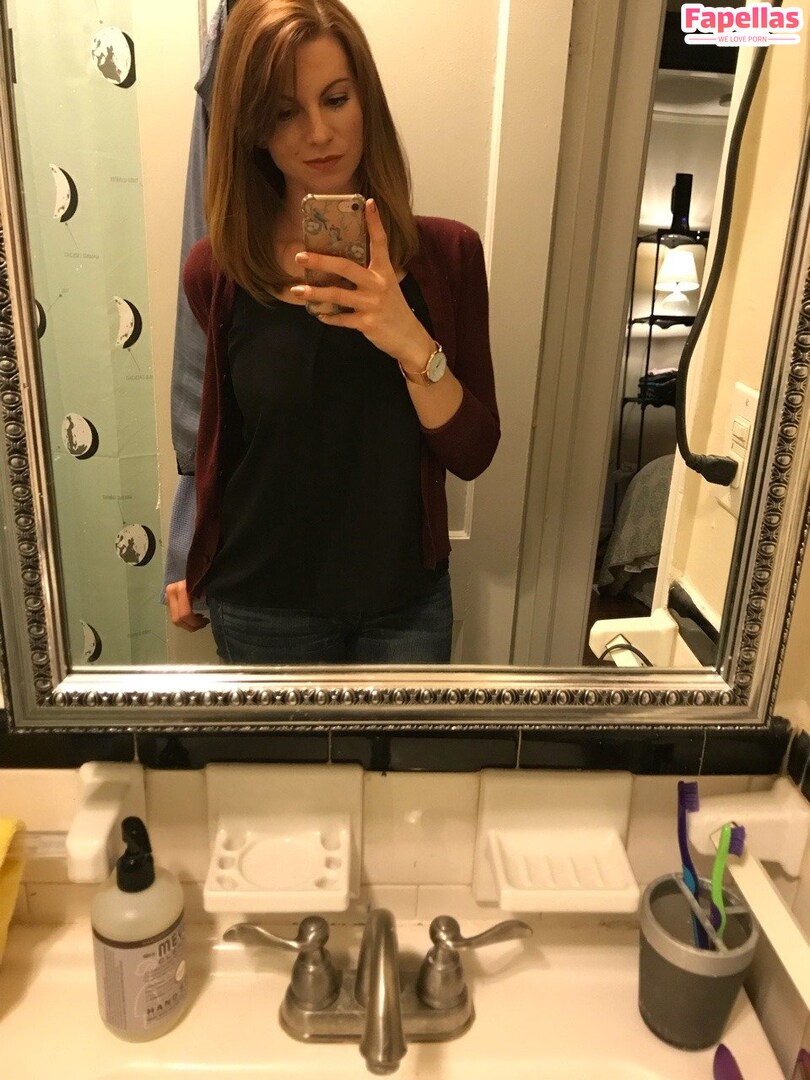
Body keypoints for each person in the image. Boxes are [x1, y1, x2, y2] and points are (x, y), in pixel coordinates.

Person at [165, 0, 499, 665]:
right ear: (253, 129)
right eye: (284, 112)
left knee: (411, 745)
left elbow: (473, 451)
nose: (319, 133)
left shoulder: (450, 256)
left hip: (406, 605)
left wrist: (409, 339)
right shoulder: (218, 271)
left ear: (366, 100)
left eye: (337, 99)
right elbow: (217, 441)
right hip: (261, 605)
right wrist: (186, 555)